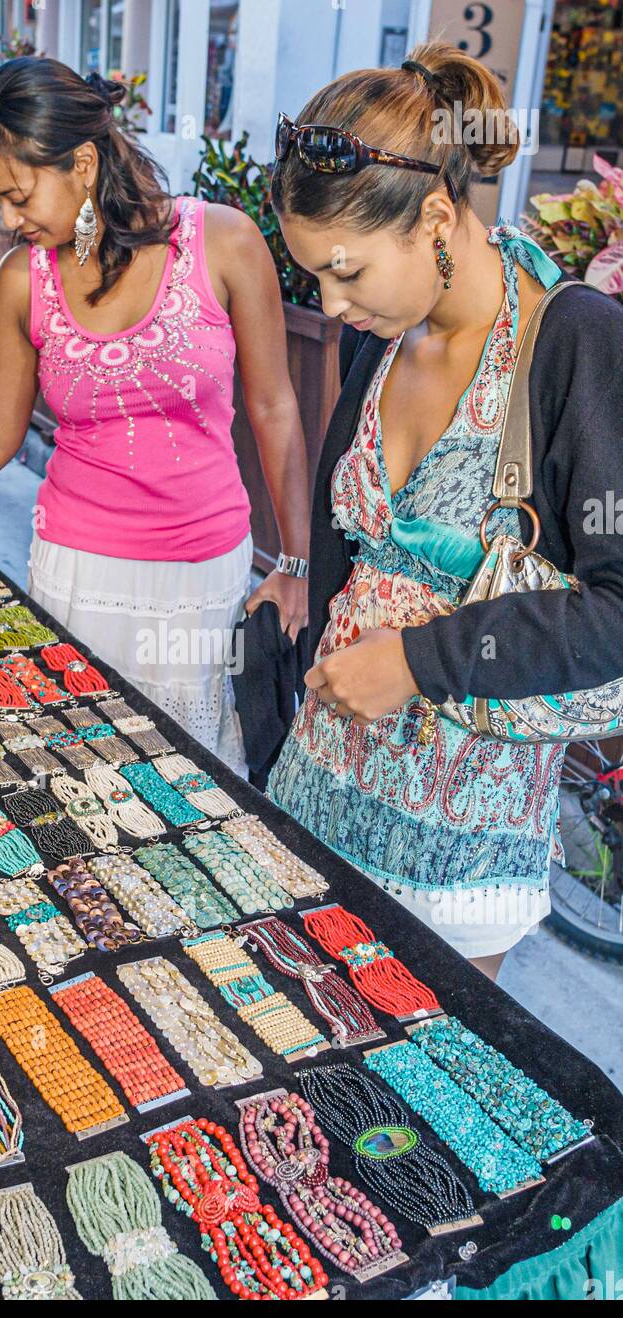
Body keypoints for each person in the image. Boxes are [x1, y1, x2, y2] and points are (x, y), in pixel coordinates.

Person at [0, 57, 311, 777]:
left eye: (18, 195)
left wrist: (295, 562)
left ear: (84, 161)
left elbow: (275, 406)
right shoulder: (19, 282)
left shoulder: (223, 242)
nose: (9, 220)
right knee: (80, 781)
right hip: (77, 575)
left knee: (195, 788)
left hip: (203, 582)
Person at [265, 41, 623, 980]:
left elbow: (618, 605)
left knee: (414, 1109)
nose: (333, 306)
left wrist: (422, 663)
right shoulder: (385, 339)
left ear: (433, 216)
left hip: (458, 850)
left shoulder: (573, 341)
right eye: (316, 281)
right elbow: (350, 540)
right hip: (317, 784)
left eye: (347, 272)